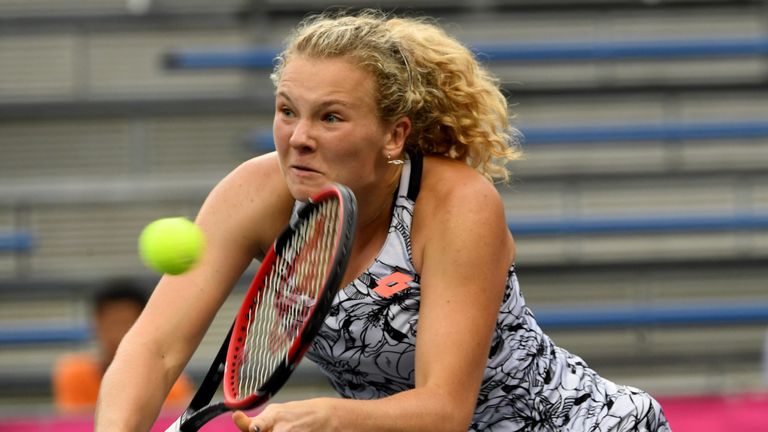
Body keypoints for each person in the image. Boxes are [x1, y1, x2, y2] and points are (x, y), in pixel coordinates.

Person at [95, 9, 671, 431]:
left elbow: (444, 410)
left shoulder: (457, 205)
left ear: (394, 136)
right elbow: (154, 349)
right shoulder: (255, 193)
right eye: (287, 111)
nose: (299, 138)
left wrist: (326, 417)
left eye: (331, 118)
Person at [53, 278, 193, 414]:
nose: (118, 333)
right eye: (112, 323)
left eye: (127, 323)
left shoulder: (170, 385)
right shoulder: (75, 375)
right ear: (96, 323)